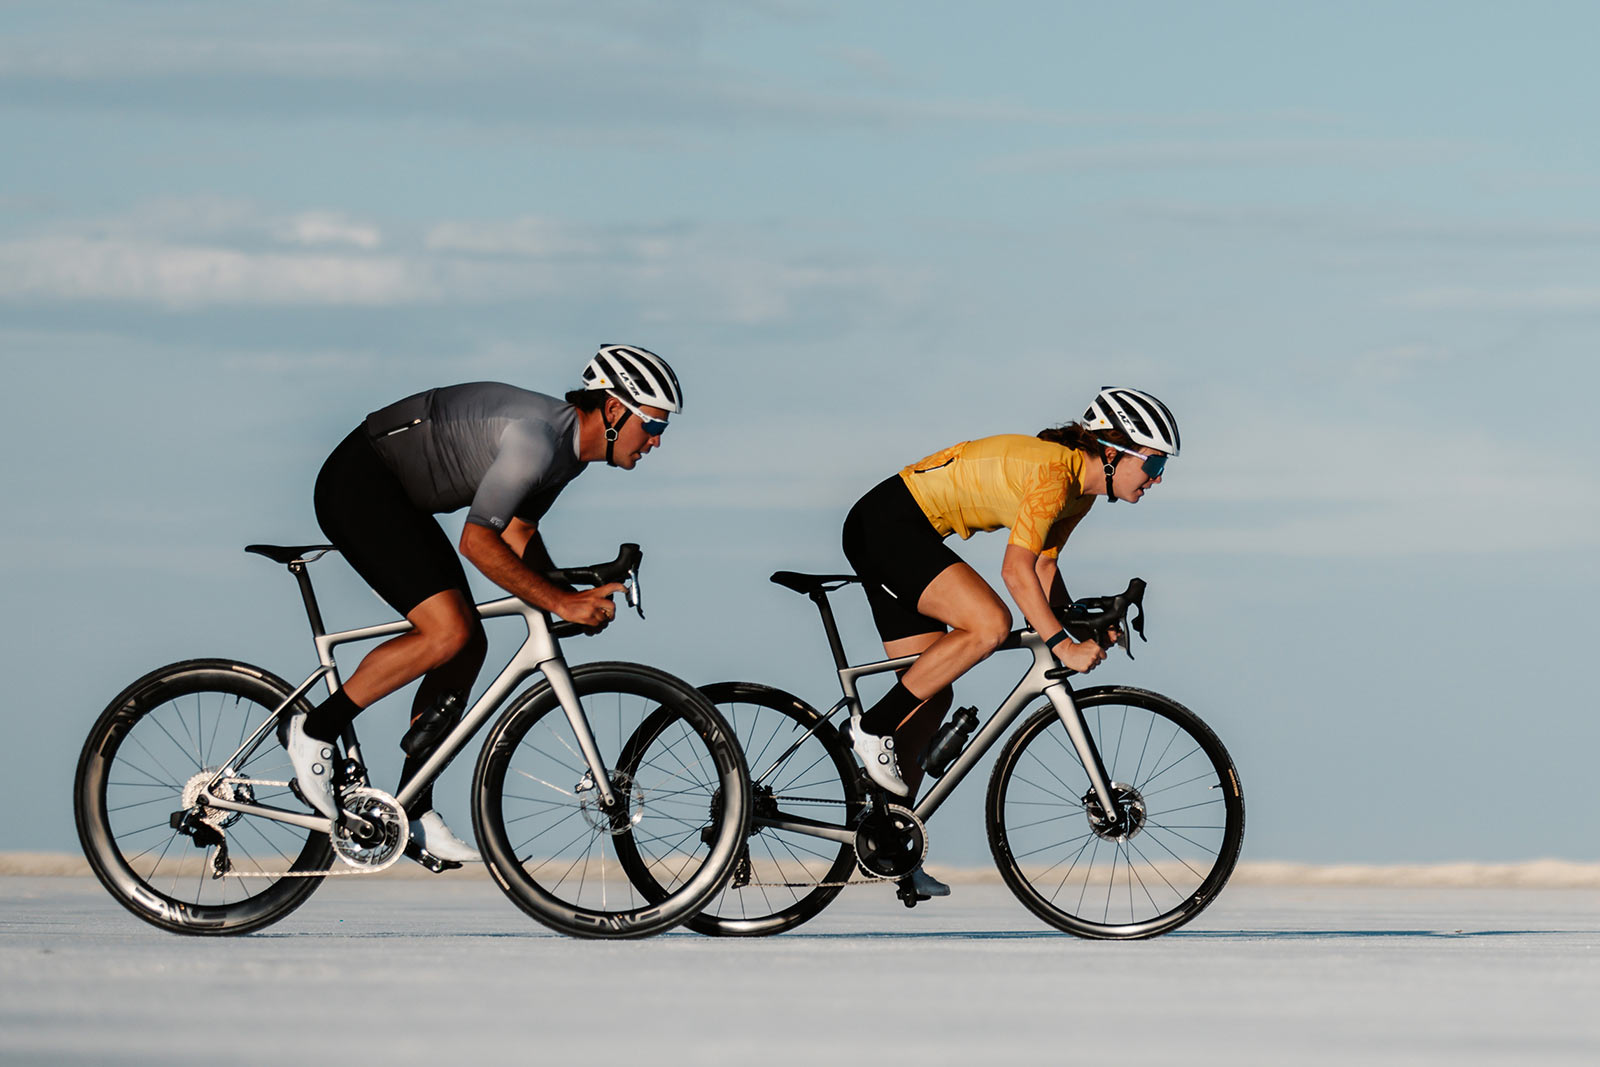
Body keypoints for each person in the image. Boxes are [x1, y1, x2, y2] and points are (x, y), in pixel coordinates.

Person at [279, 344, 683, 864]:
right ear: (612, 409)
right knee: (446, 632)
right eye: (653, 426)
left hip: (403, 500)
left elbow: (516, 534)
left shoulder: (570, 453)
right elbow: (477, 543)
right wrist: (561, 601)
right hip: (361, 483)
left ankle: (413, 806)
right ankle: (314, 729)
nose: (655, 442)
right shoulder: (539, 441)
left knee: (468, 645)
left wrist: (572, 589)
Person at [840, 386, 1179, 898]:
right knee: (989, 624)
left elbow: (1043, 567)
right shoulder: (1055, 476)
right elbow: (1015, 573)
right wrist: (1061, 645)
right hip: (888, 526)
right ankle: (872, 728)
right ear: (1113, 453)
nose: (1158, 479)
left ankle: (890, 841)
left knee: (935, 693)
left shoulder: (1081, 492)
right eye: (1153, 465)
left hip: (902, 532)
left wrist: (1077, 623)